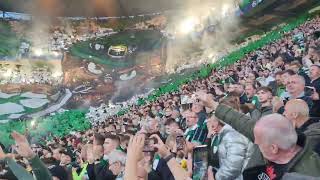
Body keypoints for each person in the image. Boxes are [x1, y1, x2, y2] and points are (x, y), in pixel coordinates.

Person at [201, 95, 320, 178]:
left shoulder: (303, 175)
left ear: (274, 148)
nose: (255, 144)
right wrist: (213, 105)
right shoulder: (278, 139)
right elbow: (246, 125)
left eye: (259, 143)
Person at [206, 115, 253, 180]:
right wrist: (208, 137)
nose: (211, 124)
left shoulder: (232, 135)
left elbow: (233, 166)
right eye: (210, 121)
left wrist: (216, 177)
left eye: (213, 121)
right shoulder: (216, 135)